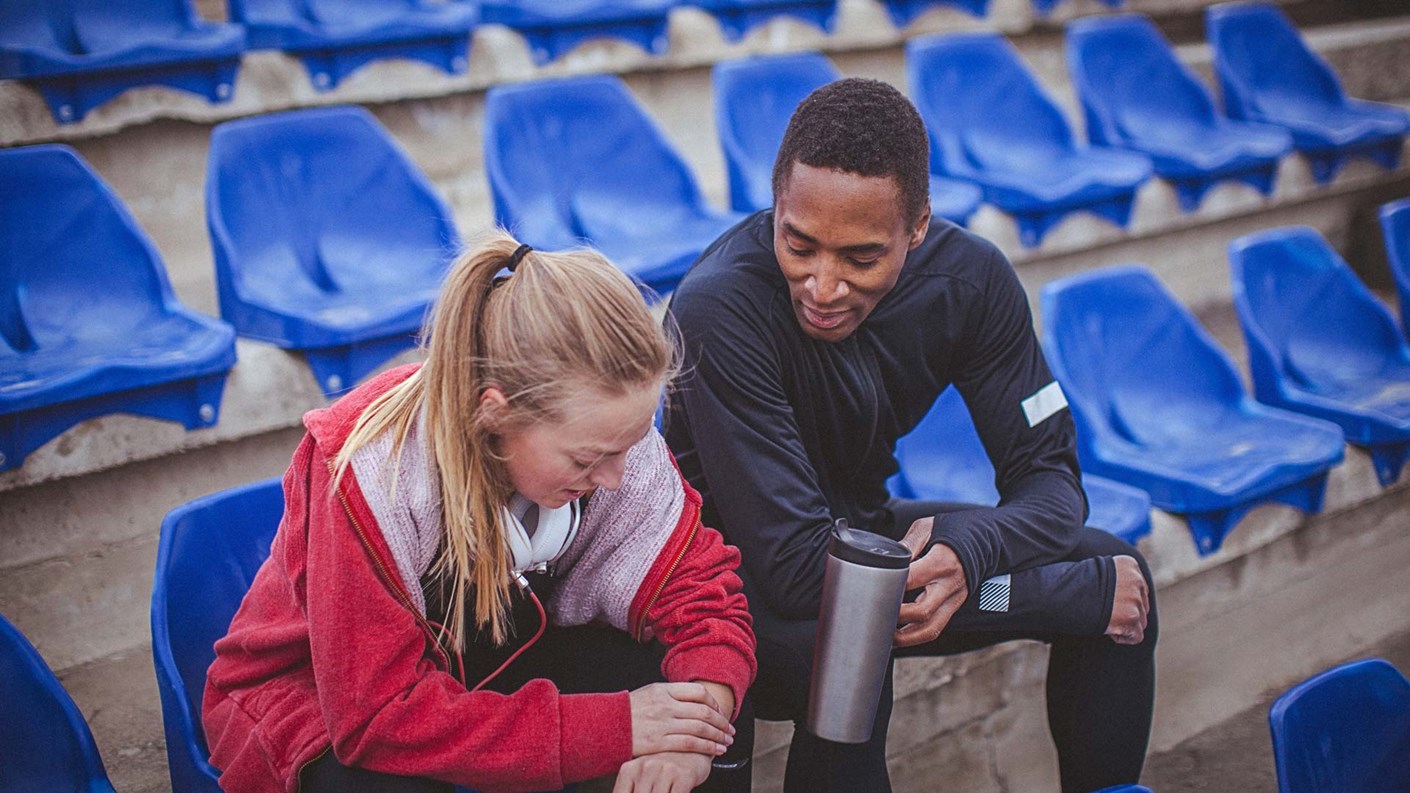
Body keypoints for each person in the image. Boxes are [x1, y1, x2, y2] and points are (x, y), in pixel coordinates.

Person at [664, 78, 1155, 793]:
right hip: (730, 580)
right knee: (848, 656)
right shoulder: (719, 307)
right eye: (798, 243)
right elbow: (801, 574)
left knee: (1117, 562)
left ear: (916, 228)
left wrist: (969, 554)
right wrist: (1060, 596)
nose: (822, 285)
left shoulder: (972, 281)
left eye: (860, 258)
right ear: (776, 204)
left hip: (859, 538)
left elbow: (1052, 483)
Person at [203, 232, 757, 793]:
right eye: (590, 458)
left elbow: (703, 596)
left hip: (493, 660)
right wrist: (617, 728)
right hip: (320, 700)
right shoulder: (370, 473)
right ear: (494, 414)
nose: (615, 478)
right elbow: (377, 719)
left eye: (627, 448)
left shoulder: (610, 435)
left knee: (702, 699)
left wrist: (694, 728)